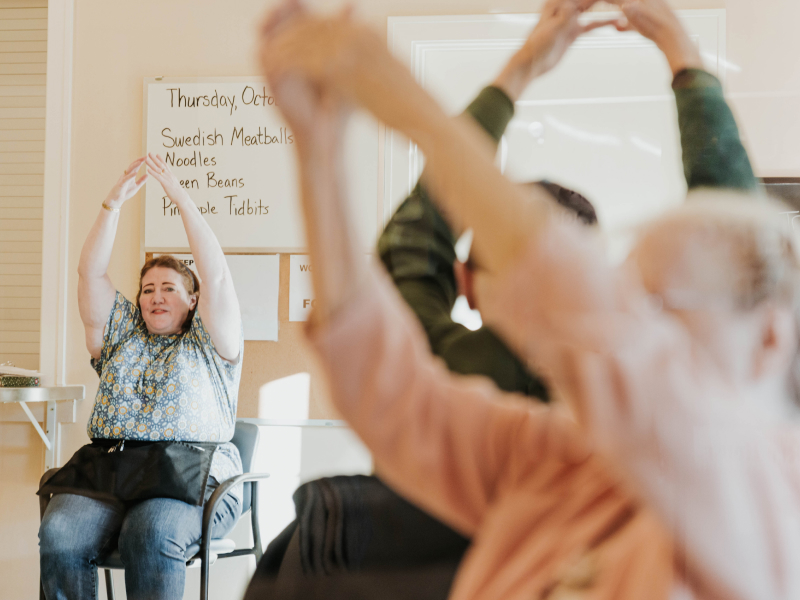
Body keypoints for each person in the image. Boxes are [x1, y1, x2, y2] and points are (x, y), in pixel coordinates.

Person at [258, 1, 800, 599]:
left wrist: (410, 107)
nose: (629, 324)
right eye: (625, 297)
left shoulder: (771, 490)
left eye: (659, 309)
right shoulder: (565, 464)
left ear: (773, 337)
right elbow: (392, 396)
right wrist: (319, 151)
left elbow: (623, 334)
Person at [38, 153, 244, 600]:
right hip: (114, 468)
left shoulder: (210, 342)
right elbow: (89, 272)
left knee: (148, 534)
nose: (156, 296)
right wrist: (111, 205)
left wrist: (179, 197)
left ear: (193, 301)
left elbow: (218, 275)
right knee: (60, 536)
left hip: (191, 472)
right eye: (148, 288)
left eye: (169, 287)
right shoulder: (121, 335)